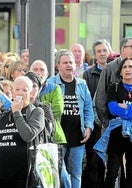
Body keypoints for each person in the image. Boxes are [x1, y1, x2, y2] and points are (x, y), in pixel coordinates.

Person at [0, 76, 45, 188]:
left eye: (24, 90)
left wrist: (17, 113)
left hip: (23, 175)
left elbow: (28, 135)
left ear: (31, 93)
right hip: (1, 174)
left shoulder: (37, 112)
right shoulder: (4, 114)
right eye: (17, 89)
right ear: (12, 92)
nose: (20, 93)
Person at [47, 49, 94, 188]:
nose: (68, 65)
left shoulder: (82, 84)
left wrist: (88, 127)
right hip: (58, 135)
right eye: (65, 62)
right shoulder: (50, 83)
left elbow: (88, 109)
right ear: (57, 66)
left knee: (76, 173)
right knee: (60, 171)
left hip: (78, 135)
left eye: (71, 62)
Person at [82, 39, 111, 188]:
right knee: (93, 160)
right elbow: (86, 100)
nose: (102, 54)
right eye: (99, 51)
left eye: (104, 50)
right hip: (94, 124)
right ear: (94, 55)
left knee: (108, 162)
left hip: (111, 123)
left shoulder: (115, 71)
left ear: (109, 52)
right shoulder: (88, 74)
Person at [103, 57, 132, 188]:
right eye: (124, 67)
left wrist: (126, 107)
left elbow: (118, 109)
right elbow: (113, 109)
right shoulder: (113, 87)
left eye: (130, 67)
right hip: (116, 135)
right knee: (112, 172)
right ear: (120, 72)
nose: (127, 69)